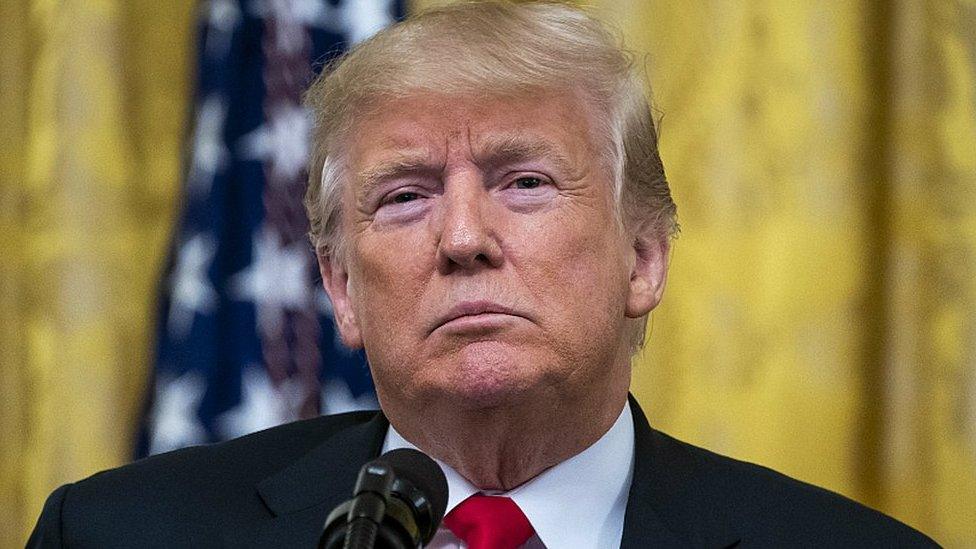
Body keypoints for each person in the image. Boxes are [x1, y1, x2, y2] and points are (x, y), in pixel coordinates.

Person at [29, 1, 936, 547]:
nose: (463, 236)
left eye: (525, 182)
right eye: (406, 197)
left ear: (644, 257)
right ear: (339, 288)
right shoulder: (120, 535)